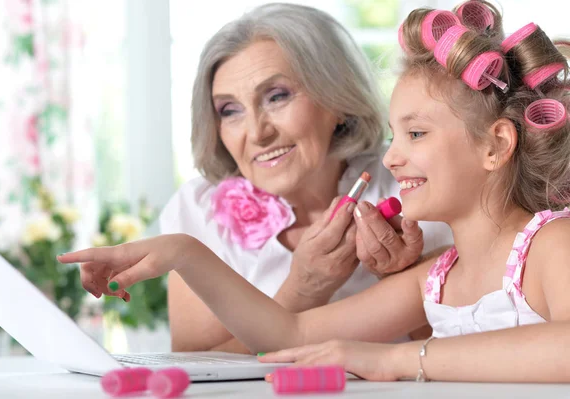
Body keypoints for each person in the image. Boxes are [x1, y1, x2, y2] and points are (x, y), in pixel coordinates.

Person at [59, 0, 570, 382]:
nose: (391, 157)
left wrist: (392, 359)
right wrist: (183, 252)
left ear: (496, 145)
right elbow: (291, 335)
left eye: (415, 134)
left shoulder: (552, 243)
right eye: (395, 136)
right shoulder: (434, 279)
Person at [155, 3, 451, 352]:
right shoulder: (198, 211)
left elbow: (464, 352)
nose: (256, 133)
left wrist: (399, 276)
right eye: (229, 110)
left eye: (277, 96)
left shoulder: (413, 180)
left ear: (337, 98)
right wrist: (303, 289)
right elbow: (195, 371)